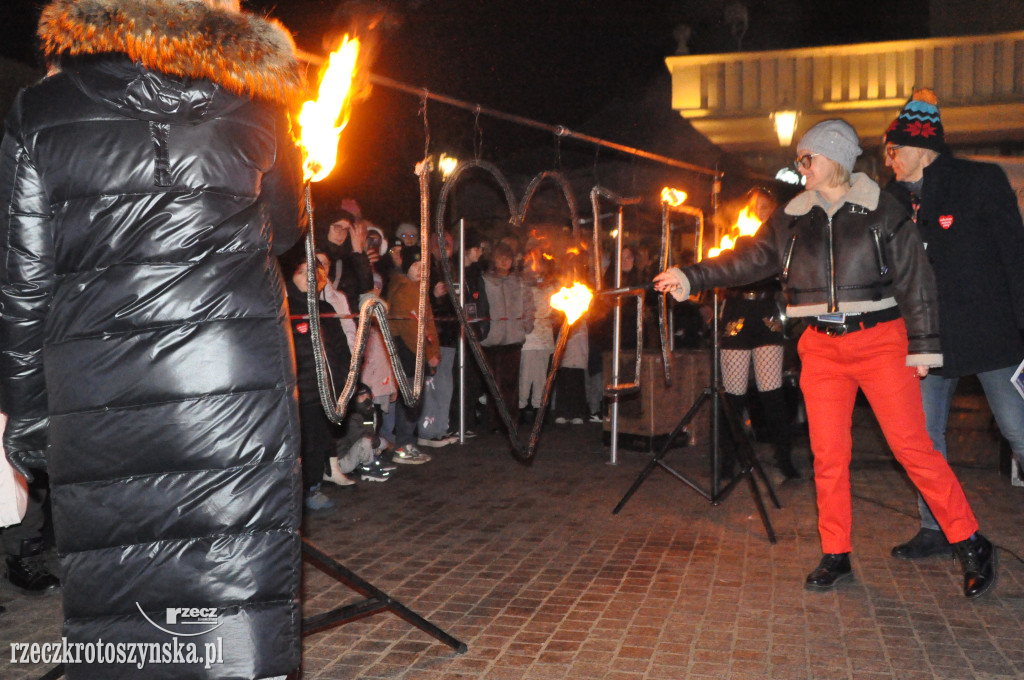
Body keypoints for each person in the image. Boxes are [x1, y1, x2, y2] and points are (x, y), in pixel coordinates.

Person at [0, 1, 306, 677]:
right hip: (225, 382)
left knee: (119, 594)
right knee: (234, 580)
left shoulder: (41, 111)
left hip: (96, 386)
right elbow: (285, 230)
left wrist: (24, 411)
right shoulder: (261, 100)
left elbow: (23, 284)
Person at [654, 119, 997, 599]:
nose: (801, 168)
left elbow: (917, 281)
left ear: (833, 156)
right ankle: (835, 553)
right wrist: (692, 276)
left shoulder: (883, 208)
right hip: (820, 347)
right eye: (800, 160)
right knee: (828, 455)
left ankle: (970, 542)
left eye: (806, 159)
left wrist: (925, 346)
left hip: (880, 340)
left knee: (912, 448)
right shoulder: (792, 217)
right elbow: (749, 259)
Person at [882, 89, 1024, 559]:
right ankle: (936, 525)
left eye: (894, 149)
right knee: (924, 437)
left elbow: (1014, 256)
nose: (890, 160)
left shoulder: (979, 181)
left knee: (1017, 428)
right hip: (925, 339)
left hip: (991, 332)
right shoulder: (890, 199)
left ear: (919, 145)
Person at [717, 187, 798, 479]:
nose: (760, 211)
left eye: (766, 207)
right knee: (734, 395)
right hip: (737, 315)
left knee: (771, 392)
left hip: (765, 316)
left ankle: (784, 458)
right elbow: (727, 273)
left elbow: (784, 276)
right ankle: (728, 459)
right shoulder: (737, 238)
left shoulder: (780, 241)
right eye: (756, 206)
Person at [383, 246, 436, 463]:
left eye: (424, 266)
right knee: (410, 401)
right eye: (416, 265)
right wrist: (427, 353)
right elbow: (410, 328)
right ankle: (403, 446)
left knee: (412, 401)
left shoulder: (416, 288)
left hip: (413, 353)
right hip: (408, 353)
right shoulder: (405, 289)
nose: (421, 270)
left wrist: (433, 350)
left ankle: (407, 444)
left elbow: (428, 324)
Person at [481, 241, 535, 431]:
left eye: (508, 257)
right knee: (493, 382)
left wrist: (527, 325)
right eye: (501, 257)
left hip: (513, 338)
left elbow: (529, 304)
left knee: (510, 383)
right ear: (493, 259)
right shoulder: (485, 280)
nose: (505, 261)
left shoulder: (518, 282)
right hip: (491, 340)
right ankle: (493, 421)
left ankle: (511, 421)